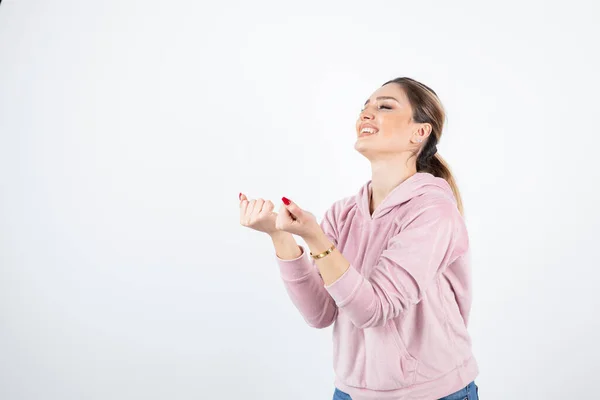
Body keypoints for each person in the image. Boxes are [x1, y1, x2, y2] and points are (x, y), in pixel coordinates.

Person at [239, 77, 479, 400]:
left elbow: (375, 308)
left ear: (419, 132)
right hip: (352, 393)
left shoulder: (434, 212)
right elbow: (321, 313)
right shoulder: (343, 214)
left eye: (384, 106)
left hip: (433, 393)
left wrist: (316, 239)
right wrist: (280, 236)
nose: (366, 113)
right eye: (364, 107)